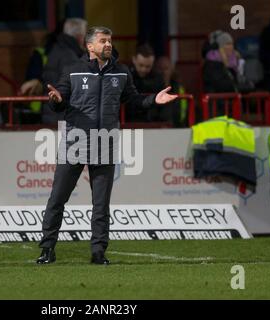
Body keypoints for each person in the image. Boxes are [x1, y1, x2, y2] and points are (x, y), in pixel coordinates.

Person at [36, 26, 177, 265]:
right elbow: (58, 102)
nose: (108, 44)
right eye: (103, 41)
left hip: (105, 144)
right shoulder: (72, 71)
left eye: (109, 40)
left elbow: (134, 101)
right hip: (75, 143)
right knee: (57, 199)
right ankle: (47, 249)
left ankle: (98, 252)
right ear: (90, 46)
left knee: (101, 204)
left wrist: (154, 99)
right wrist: (57, 101)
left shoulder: (121, 73)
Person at [41, 18, 87, 124]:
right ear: (80, 37)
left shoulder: (56, 50)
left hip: (53, 115)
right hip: (63, 119)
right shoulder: (70, 57)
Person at [126, 44, 164, 122]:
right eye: (141, 65)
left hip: (152, 123)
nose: (143, 69)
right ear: (134, 60)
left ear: (153, 63)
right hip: (129, 122)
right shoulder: (125, 77)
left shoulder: (158, 79)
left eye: (148, 66)